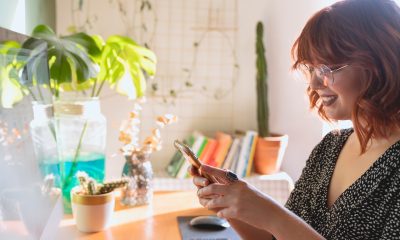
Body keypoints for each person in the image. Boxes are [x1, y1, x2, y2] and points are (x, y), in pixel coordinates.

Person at [189, 0, 400, 239]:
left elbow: (281, 226)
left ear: (381, 62)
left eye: (327, 68)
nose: (314, 83)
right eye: (311, 69)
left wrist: (274, 216)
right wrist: (230, 205)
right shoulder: (330, 148)